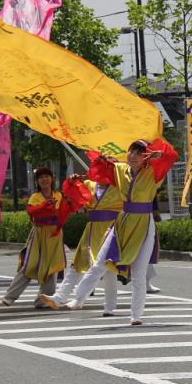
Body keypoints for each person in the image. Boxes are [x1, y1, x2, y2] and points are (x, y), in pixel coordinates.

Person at [59, 139, 178, 325]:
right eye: (131, 151)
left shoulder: (153, 172)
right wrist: (100, 158)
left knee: (139, 272)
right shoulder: (120, 169)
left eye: (139, 153)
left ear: (146, 156)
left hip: (144, 224)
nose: (133, 156)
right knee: (100, 262)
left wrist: (160, 155)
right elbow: (98, 171)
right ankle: (77, 299)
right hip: (122, 222)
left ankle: (136, 315)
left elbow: (172, 157)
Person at [3, 168, 89, 308]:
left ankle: (42, 301)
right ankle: (10, 296)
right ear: (37, 181)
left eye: (47, 176)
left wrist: (72, 183)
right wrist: (45, 205)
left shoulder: (58, 195)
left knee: (52, 268)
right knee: (29, 265)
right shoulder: (35, 197)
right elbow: (31, 211)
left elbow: (67, 206)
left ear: (52, 178)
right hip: (39, 233)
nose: (44, 179)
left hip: (55, 234)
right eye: (41, 177)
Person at [39, 178, 121, 314]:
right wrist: (73, 183)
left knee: (108, 269)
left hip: (110, 230)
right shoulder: (89, 184)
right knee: (77, 264)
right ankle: (59, 297)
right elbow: (74, 201)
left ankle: (108, 306)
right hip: (91, 230)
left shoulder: (119, 185)